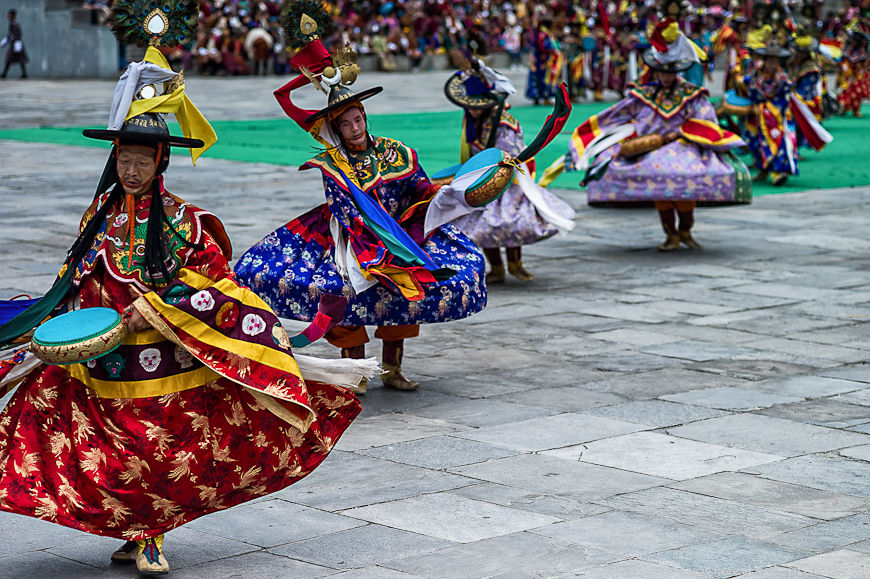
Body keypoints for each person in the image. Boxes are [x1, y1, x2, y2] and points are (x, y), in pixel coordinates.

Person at [0, 21, 364, 578]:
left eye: (142, 160)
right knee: (85, 442)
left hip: (162, 359)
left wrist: (160, 307)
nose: (131, 168)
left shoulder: (185, 223)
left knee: (156, 452)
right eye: (124, 158)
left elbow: (216, 283)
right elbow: (75, 279)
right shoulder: (99, 219)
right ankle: (131, 528)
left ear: (160, 163)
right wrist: (61, 324)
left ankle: (151, 535)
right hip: (103, 359)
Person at [234, 28, 490, 394]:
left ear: (365, 117)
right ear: (337, 128)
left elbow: (419, 187)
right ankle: (355, 372)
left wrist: (447, 192)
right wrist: (372, 252)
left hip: (401, 234)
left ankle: (392, 368)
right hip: (347, 236)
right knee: (340, 292)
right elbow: (344, 208)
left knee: (407, 292)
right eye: (346, 123)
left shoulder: (396, 151)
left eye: (358, 120)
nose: (354, 128)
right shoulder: (332, 164)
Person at [540, 18, 751, 251]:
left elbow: (706, 121)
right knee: (659, 187)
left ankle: (686, 231)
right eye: (661, 72)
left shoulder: (693, 95)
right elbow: (613, 115)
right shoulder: (642, 95)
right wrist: (590, 136)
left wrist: (686, 133)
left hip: (685, 146)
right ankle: (670, 234)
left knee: (685, 188)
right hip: (650, 149)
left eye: (670, 72)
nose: (665, 77)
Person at [445, 59, 575, 283]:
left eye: (475, 107)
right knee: (481, 226)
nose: (471, 111)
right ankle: (496, 268)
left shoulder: (505, 123)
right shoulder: (473, 120)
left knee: (509, 223)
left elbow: (509, 153)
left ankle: (516, 264)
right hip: (480, 179)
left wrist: (496, 166)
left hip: (508, 178)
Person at [742, 43, 798, 186]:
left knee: (775, 140)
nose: (772, 64)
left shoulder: (782, 78)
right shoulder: (757, 73)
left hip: (777, 114)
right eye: (770, 60)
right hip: (757, 112)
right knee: (753, 139)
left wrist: (767, 108)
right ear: (765, 60)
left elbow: (783, 99)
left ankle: (777, 172)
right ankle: (763, 170)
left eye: (775, 61)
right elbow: (751, 88)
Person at [838, 30, 870, 118]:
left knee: (857, 92)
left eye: (855, 41)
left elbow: (863, 64)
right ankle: (843, 108)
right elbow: (844, 60)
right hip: (848, 74)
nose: (852, 42)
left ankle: (855, 110)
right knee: (845, 92)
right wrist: (845, 69)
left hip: (859, 75)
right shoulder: (849, 49)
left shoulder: (863, 51)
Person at [1, 9, 27, 79]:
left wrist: (13, 41)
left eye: (9, 14)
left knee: (11, 58)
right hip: (15, 44)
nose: (8, 16)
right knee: (17, 59)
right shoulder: (13, 23)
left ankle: (4, 74)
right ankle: (5, 73)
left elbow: (16, 34)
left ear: (13, 15)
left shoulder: (14, 24)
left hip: (16, 44)